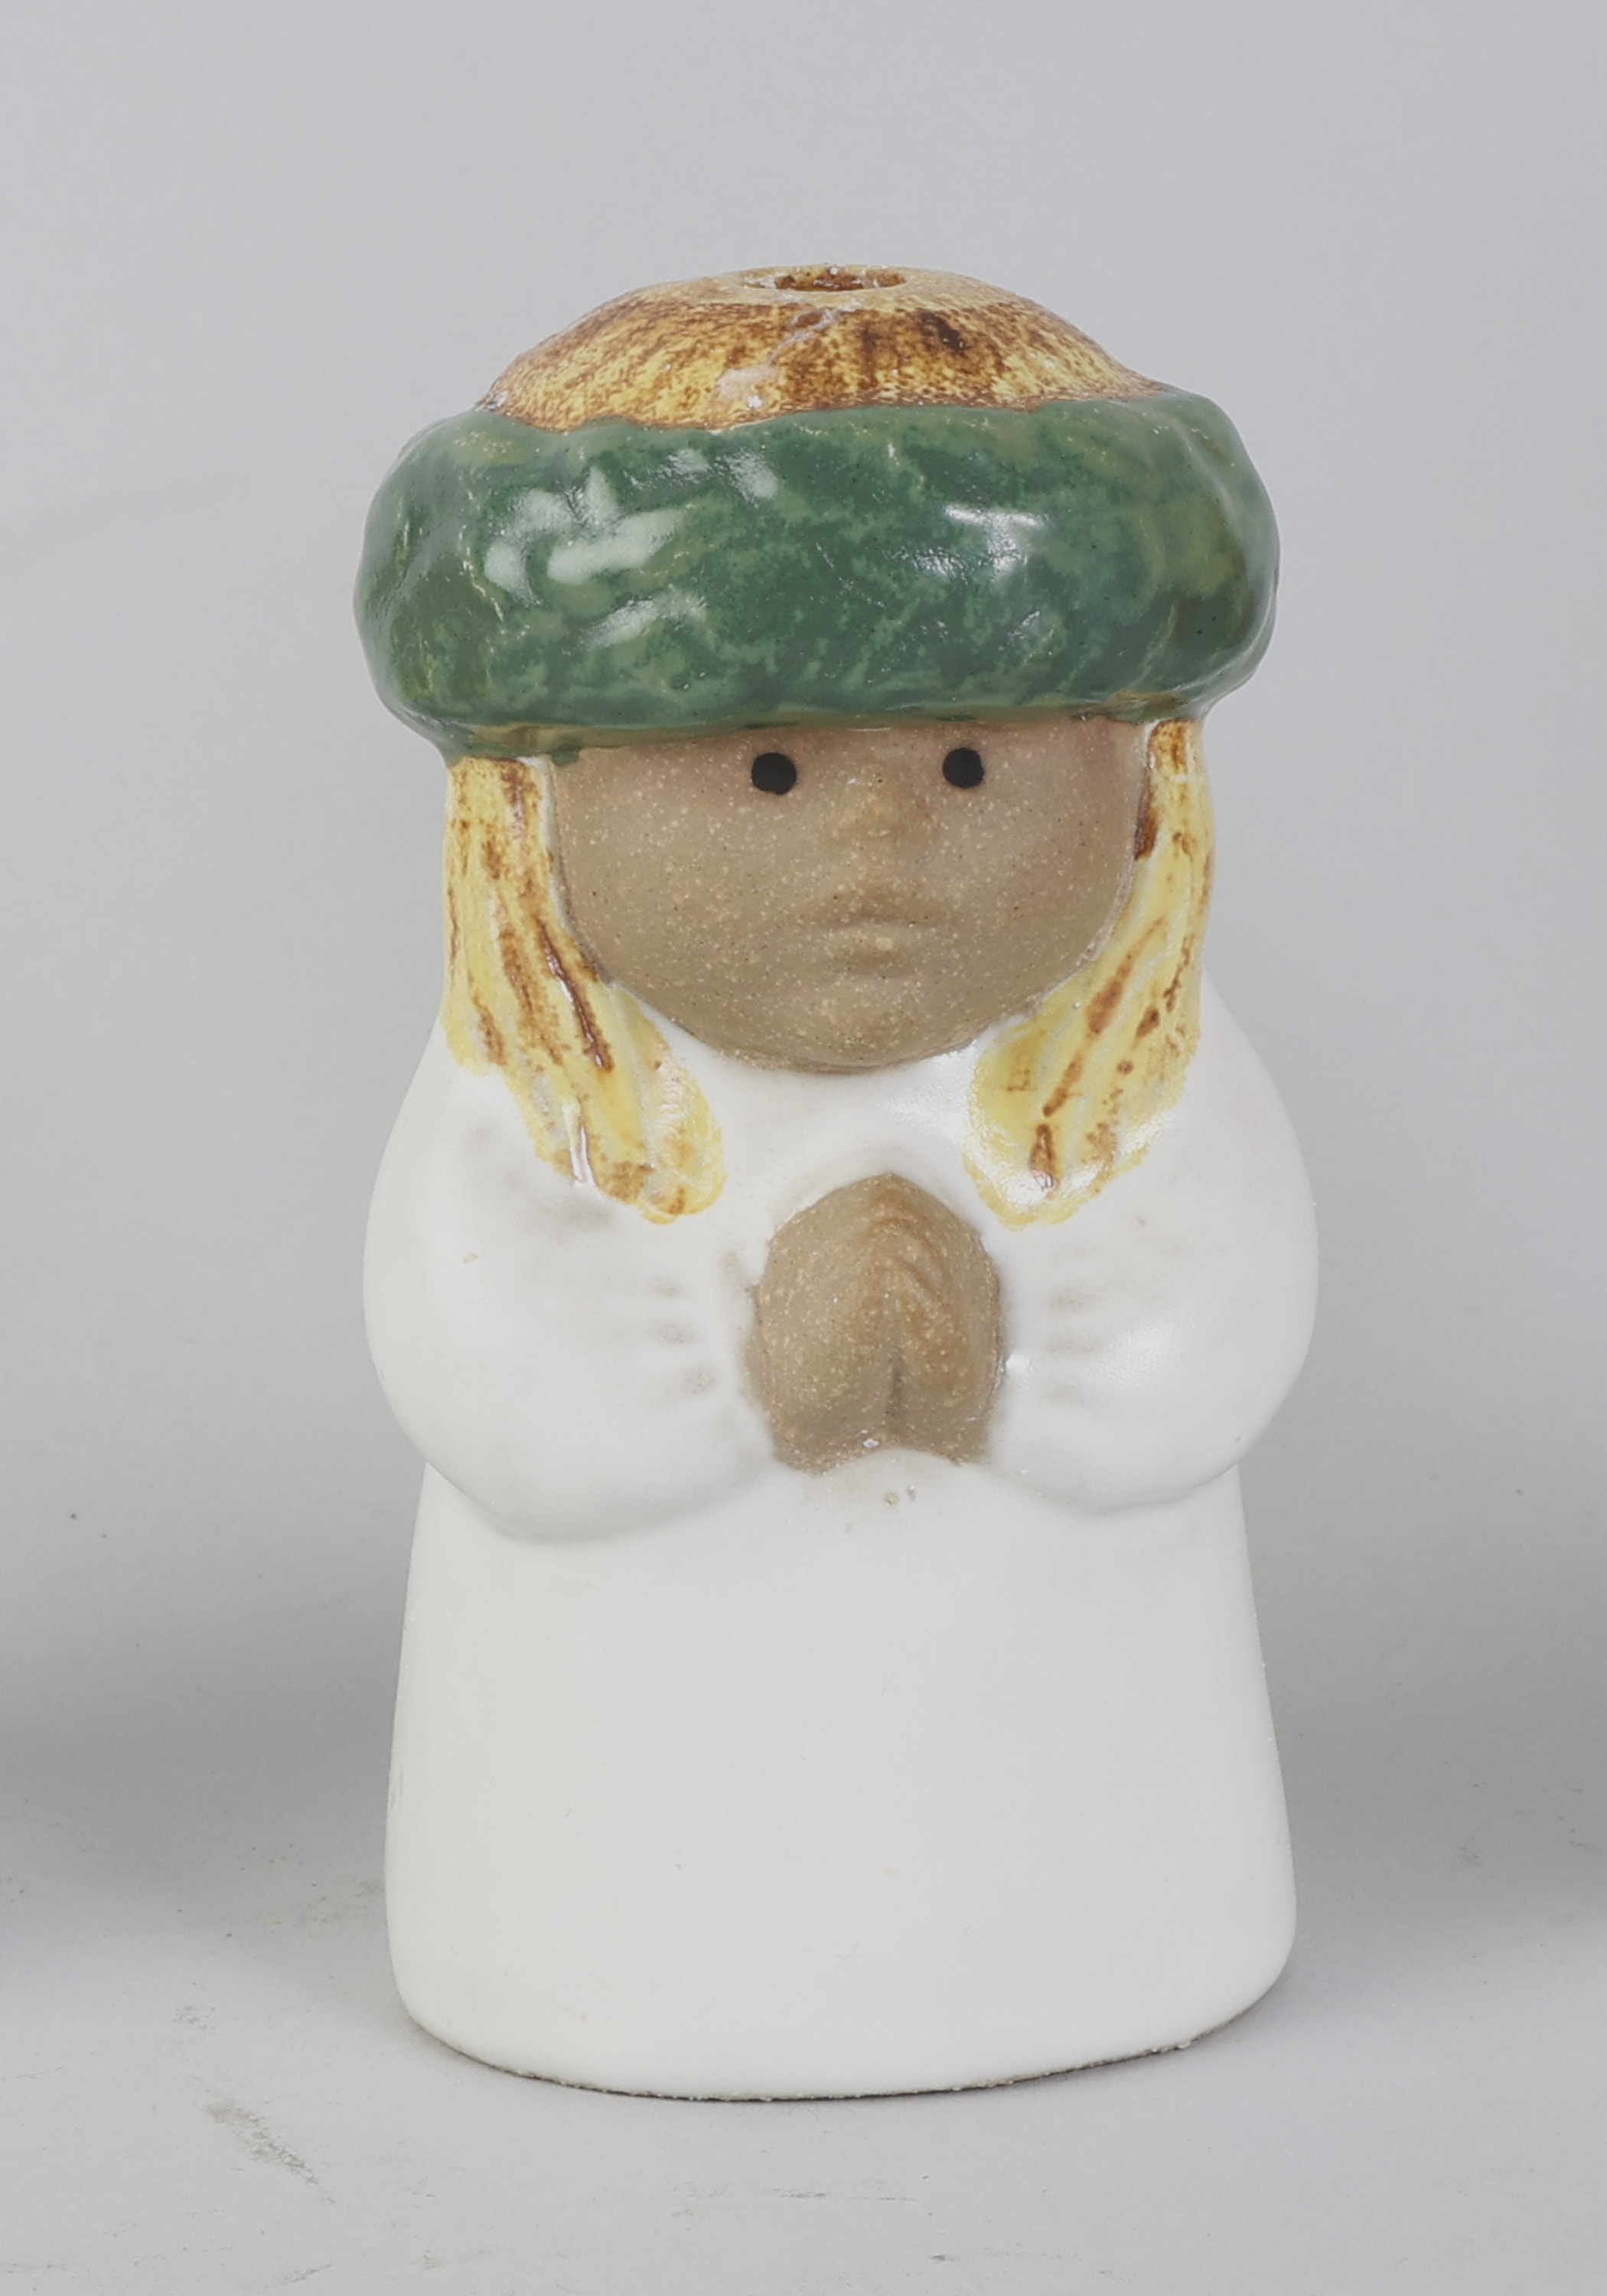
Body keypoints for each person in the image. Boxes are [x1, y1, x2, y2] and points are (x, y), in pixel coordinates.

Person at [357, 266, 1319, 2097]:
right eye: (774, 771)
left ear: (1142, 793)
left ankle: (1093, 1941)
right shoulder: (545, 1103)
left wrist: (1029, 1356)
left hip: (1088, 1795)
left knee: (1075, 1815)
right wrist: (727, 1372)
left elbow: (1217, 1323)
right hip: (612, 1831)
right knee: (622, 1856)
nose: (878, 845)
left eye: (965, 764)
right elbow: (492, 1377)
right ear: (536, 809)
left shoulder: (1124, 1085)